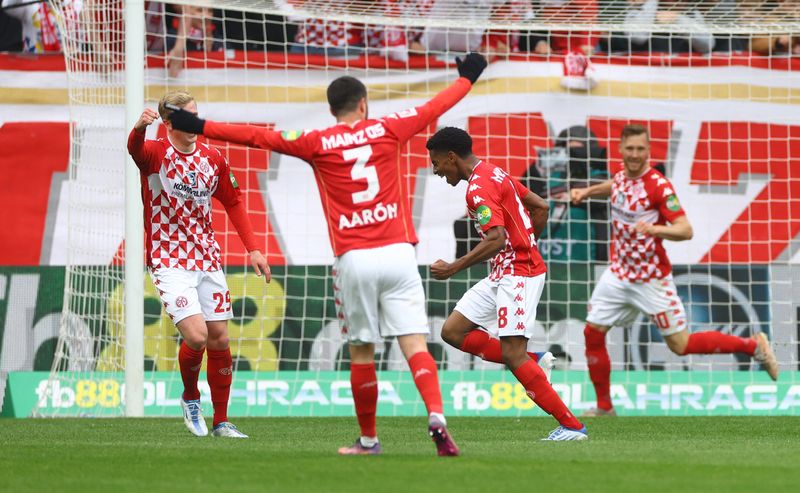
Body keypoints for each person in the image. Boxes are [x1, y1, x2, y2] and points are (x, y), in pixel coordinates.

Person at [165, 53, 489, 456]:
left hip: (355, 258)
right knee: (414, 343)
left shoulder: (316, 142)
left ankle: (369, 440)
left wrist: (196, 126)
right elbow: (436, 106)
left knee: (362, 349)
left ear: (331, 110)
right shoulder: (389, 128)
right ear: (364, 104)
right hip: (399, 252)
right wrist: (468, 76)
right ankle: (436, 415)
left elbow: (257, 137)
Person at [570, 124, 779, 417]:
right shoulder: (619, 177)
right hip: (618, 275)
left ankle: (752, 345)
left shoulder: (659, 186)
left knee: (681, 346)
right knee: (592, 333)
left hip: (651, 279)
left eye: (641, 149)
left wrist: (654, 228)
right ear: (620, 149)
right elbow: (614, 187)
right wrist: (587, 191)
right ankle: (605, 407)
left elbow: (686, 229)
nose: (635, 155)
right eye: (630, 148)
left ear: (648, 150)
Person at [427, 126, 588, 441]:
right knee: (452, 331)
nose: (436, 170)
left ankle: (572, 426)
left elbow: (496, 238)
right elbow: (540, 206)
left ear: (450, 157)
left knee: (514, 355)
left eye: (436, 162)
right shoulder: (495, 172)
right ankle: (535, 360)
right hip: (504, 271)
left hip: (518, 273)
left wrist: (453, 267)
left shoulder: (477, 189)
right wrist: (527, 243)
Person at [127, 91, 270, 438]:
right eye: (186, 117)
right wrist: (138, 129)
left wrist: (253, 249)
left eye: (196, 114)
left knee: (220, 339)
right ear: (169, 123)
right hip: (168, 258)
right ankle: (191, 399)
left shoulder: (213, 158)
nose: (194, 123)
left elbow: (234, 202)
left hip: (206, 257)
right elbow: (135, 151)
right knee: (197, 335)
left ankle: (221, 421)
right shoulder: (157, 154)